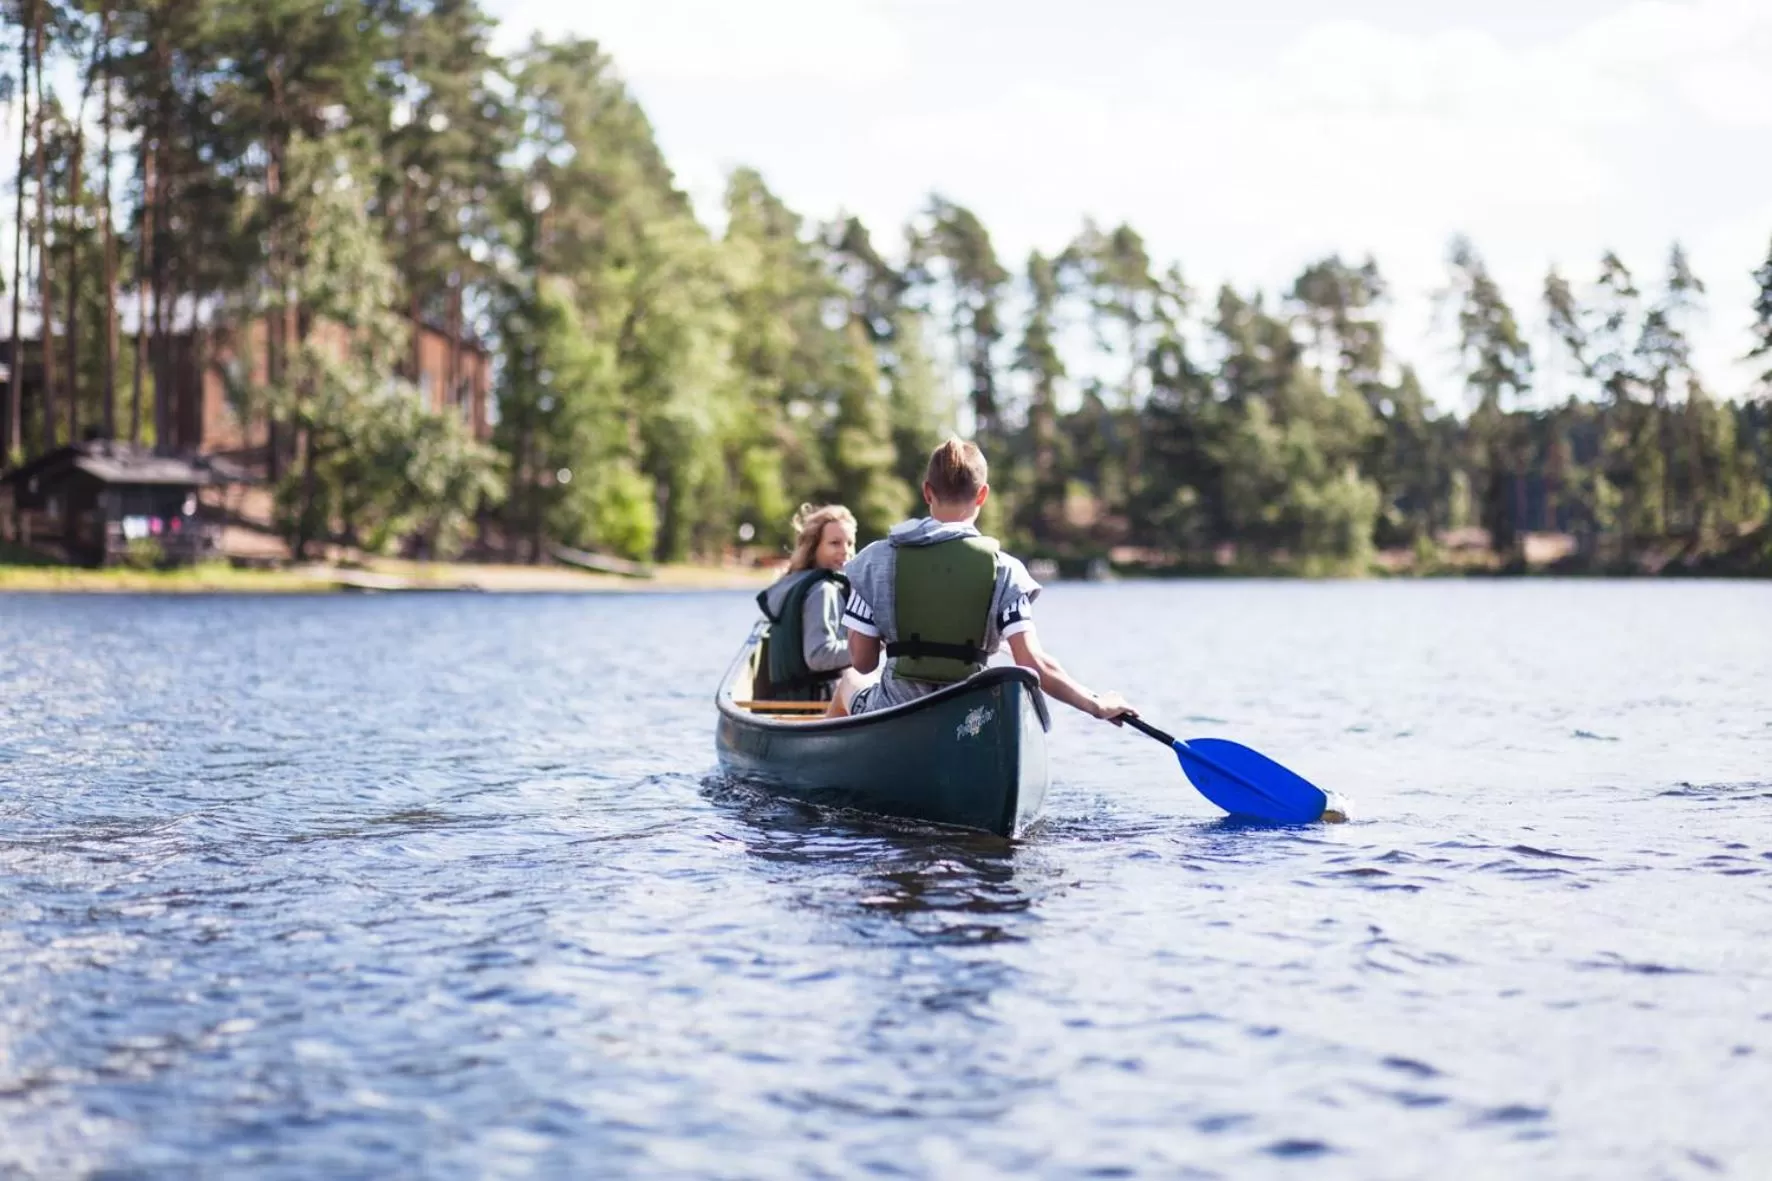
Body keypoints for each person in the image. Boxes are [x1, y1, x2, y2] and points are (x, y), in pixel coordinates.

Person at [829, 438, 1136, 725]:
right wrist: (1097, 704)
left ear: (927, 492)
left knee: (850, 681)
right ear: (983, 495)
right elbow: (1034, 664)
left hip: (895, 713)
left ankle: (820, 765)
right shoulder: (1006, 570)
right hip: (969, 718)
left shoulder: (874, 562)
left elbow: (864, 663)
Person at [755, 504, 858, 701]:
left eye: (850, 543)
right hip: (813, 705)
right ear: (813, 547)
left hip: (790, 701)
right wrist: (873, 647)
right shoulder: (823, 591)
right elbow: (819, 656)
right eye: (835, 543)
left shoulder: (791, 582)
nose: (845, 551)